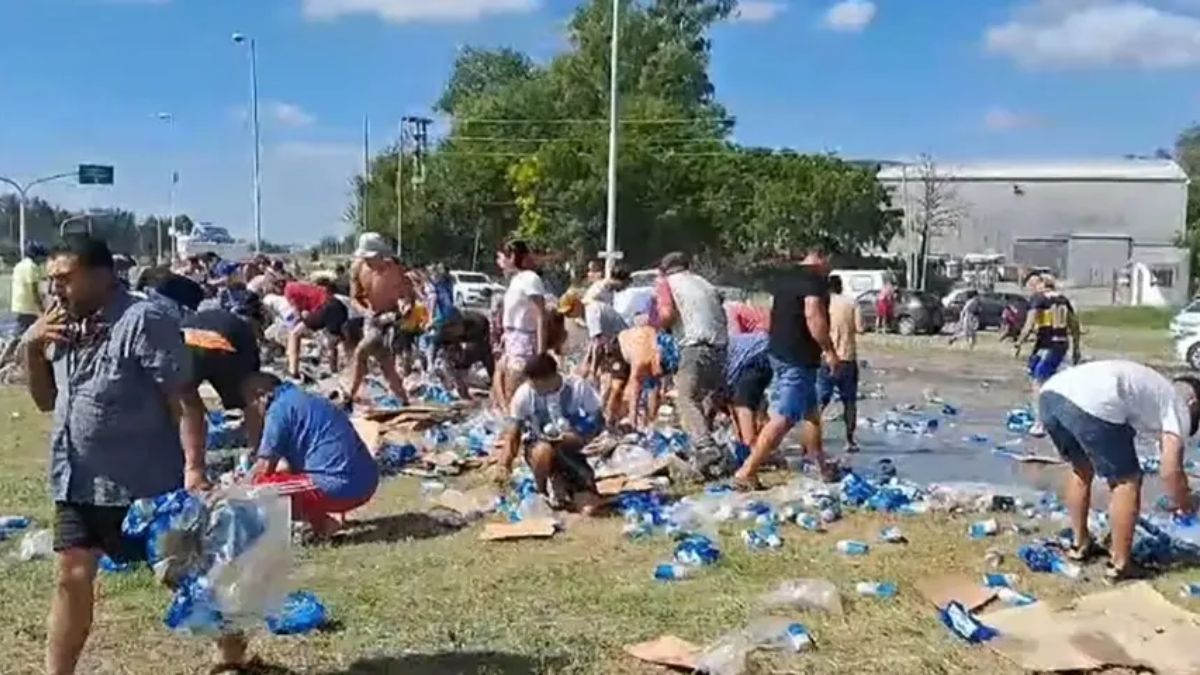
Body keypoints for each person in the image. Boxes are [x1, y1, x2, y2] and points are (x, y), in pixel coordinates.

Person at [18, 237, 226, 674]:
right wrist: (33, 348)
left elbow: (185, 399)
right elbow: (44, 400)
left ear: (103, 275)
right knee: (71, 577)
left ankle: (232, 651)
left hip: (145, 481)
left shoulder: (143, 320)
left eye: (65, 278)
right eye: (51, 280)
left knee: (185, 574)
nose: (55, 289)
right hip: (78, 479)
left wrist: (194, 468)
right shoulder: (61, 325)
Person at [1039, 361, 1199, 582]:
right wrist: (1185, 504)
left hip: (1050, 395)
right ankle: (1121, 564)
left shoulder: (1156, 391)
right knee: (1127, 481)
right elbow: (1170, 471)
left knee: (1081, 470)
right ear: (1193, 402)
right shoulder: (1178, 406)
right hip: (1092, 403)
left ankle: (1080, 545)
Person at [736, 246, 837, 490]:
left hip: (779, 351)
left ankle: (820, 466)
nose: (830, 268)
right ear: (822, 257)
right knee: (786, 416)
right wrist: (829, 350)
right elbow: (813, 314)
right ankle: (747, 471)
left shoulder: (785, 278)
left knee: (811, 412)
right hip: (797, 358)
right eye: (830, 262)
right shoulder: (814, 280)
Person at [247, 374, 380, 538]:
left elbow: (265, 469)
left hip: (341, 486)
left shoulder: (278, 411)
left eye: (250, 403)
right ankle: (325, 520)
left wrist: (236, 487)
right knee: (287, 481)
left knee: (260, 488)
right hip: (365, 480)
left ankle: (325, 525)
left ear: (261, 396)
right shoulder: (306, 399)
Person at [492, 354, 603, 514]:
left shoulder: (577, 387)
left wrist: (579, 433)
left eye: (536, 383)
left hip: (570, 451)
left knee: (589, 510)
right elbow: (513, 434)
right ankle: (542, 490)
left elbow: (597, 418)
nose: (532, 387)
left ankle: (566, 484)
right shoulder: (524, 395)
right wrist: (504, 466)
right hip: (538, 450)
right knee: (543, 450)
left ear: (551, 378)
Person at [655, 252, 729, 476]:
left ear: (664, 270)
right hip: (721, 347)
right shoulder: (704, 283)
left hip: (694, 346)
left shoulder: (666, 283)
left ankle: (706, 448)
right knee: (704, 399)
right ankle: (708, 455)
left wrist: (656, 326)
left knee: (685, 398)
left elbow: (666, 314)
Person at [346, 232, 413, 407]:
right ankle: (403, 399)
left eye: (371, 258)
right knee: (385, 362)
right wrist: (365, 311)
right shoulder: (358, 269)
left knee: (362, 351)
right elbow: (354, 298)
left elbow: (406, 295)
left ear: (380, 255)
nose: (367, 261)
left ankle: (349, 396)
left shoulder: (396, 270)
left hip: (390, 318)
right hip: (372, 317)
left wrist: (404, 305)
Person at [1017, 275, 1082, 436]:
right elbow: (1074, 325)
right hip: (1059, 343)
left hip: (1048, 345)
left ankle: (1041, 422)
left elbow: (1029, 324)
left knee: (1039, 381)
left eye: (1033, 285)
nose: (1031, 288)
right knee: (1036, 374)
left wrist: (1019, 342)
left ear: (1042, 284)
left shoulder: (1038, 299)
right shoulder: (1063, 300)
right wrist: (1076, 348)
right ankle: (1051, 412)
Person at [495, 240, 549, 408]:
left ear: (513, 257)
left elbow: (540, 315)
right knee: (504, 390)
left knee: (516, 392)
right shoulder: (517, 280)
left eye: (502, 257)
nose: (499, 262)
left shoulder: (530, 279)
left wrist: (541, 354)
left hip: (524, 343)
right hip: (513, 340)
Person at [816, 275, 864, 453]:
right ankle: (849, 441)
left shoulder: (821, 304)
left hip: (826, 358)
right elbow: (860, 328)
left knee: (820, 401)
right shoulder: (852, 303)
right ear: (841, 287)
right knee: (849, 402)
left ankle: (812, 440)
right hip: (847, 358)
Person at [284, 280, 349, 379]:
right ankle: (337, 370)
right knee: (335, 340)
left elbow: (297, 313)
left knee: (295, 333)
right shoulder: (302, 286)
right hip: (338, 306)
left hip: (325, 307)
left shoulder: (288, 290)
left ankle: (293, 371)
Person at [722, 331, 771, 448]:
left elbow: (730, 397)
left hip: (756, 356)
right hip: (766, 350)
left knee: (743, 405)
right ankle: (764, 443)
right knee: (752, 404)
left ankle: (751, 446)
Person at [11, 241, 48, 333]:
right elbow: (34, 290)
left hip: (19, 303)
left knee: (23, 326)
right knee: (29, 328)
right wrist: (41, 307)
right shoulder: (32, 267)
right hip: (29, 305)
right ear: (36, 255)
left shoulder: (19, 265)